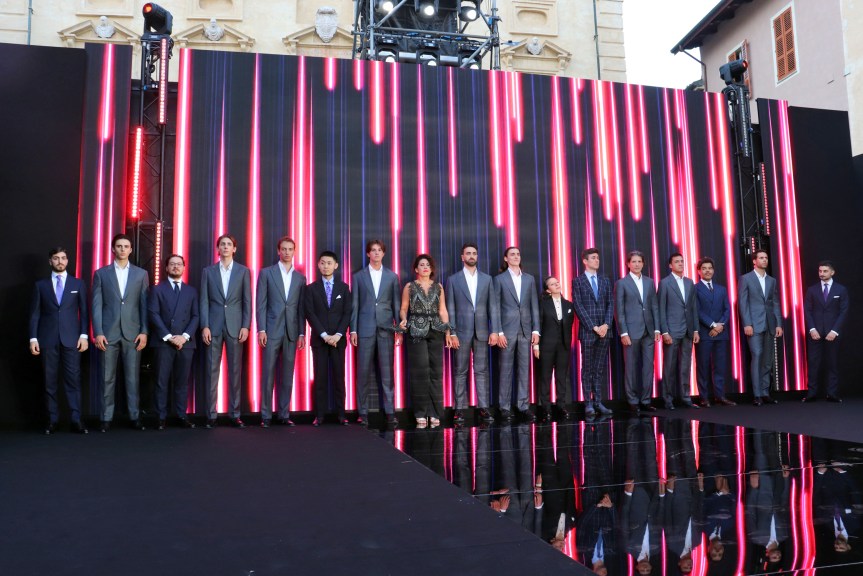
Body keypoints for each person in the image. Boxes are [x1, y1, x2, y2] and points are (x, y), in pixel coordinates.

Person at [29, 246, 89, 434]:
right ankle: (52, 420)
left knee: (73, 381)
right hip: (47, 339)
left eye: (63, 258)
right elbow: (34, 314)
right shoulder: (41, 285)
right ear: (50, 261)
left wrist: (84, 335)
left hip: (72, 339)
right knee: (49, 382)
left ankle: (76, 420)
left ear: (67, 261)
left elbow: (85, 313)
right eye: (56, 258)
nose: (60, 261)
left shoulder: (78, 284)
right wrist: (33, 338)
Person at [92, 233, 149, 432]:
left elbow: (144, 305)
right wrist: (97, 331)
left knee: (133, 378)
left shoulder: (141, 274)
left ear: (131, 249)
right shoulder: (101, 273)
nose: (122, 249)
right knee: (107, 377)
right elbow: (96, 306)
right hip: (107, 333)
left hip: (133, 333)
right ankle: (106, 418)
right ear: (113, 249)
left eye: (126, 246)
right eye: (119, 246)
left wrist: (144, 331)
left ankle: (134, 416)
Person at [200, 234, 251, 428]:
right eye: (223, 244)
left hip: (236, 327)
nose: (226, 247)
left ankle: (235, 413)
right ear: (218, 249)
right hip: (213, 326)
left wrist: (246, 326)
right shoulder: (208, 271)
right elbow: (204, 300)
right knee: (212, 371)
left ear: (234, 249)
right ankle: (211, 415)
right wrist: (204, 325)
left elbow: (247, 300)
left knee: (235, 371)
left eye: (229, 244)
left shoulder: (243, 271)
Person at [445, 242, 500, 424]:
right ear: (462, 257)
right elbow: (450, 308)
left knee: (482, 370)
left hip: (483, 330)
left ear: (477, 257)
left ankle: (483, 407)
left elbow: (493, 306)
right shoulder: (453, 280)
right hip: (460, 331)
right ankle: (459, 409)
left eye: (474, 253)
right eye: (468, 253)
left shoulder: (487, 279)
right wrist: (451, 332)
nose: (471, 256)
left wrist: (495, 330)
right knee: (460, 370)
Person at [350, 239, 401, 427]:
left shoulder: (392, 277)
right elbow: (354, 305)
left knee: (388, 374)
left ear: (384, 253)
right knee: (362, 373)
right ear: (368, 254)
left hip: (387, 329)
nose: (377, 253)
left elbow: (396, 305)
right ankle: (362, 412)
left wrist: (399, 331)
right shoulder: (358, 277)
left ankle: (390, 412)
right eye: (373, 250)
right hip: (364, 329)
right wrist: (353, 329)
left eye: (380, 250)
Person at [256, 237, 306, 427]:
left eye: (290, 249)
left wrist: (301, 332)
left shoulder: (301, 278)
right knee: (268, 374)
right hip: (271, 330)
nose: (286, 252)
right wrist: (261, 329)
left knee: (287, 375)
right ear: (278, 251)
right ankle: (266, 416)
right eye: (283, 249)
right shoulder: (266, 273)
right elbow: (261, 304)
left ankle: (284, 414)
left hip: (292, 331)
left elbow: (301, 308)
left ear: (294, 251)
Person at [399, 254, 451, 428]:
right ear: (416, 269)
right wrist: (403, 319)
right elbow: (403, 308)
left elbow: (442, 310)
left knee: (436, 372)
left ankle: (435, 412)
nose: (425, 267)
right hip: (416, 330)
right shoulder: (410, 286)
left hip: (436, 330)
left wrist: (448, 331)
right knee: (420, 372)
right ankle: (420, 412)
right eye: (421, 265)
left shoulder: (439, 287)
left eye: (428, 264)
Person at [147, 254, 198, 429]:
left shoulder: (191, 291)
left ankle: (181, 415)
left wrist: (184, 336)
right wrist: (169, 337)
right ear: (166, 268)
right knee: (161, 381)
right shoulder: (157, 289)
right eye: (172, 264)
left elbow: (196, 316)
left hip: (186, 343)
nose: (176, 267)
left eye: (179, 264)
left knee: (182, 382)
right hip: (163, 342)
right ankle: (160, 417)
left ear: (184, 268)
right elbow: (153, 314)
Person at [304, 250, 352, 426]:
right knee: (320, 379)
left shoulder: (344, 288)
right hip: (319, 340)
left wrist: (338, 334)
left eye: (329, 263)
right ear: (318, 265)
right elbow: (310, 313)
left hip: (338, 341)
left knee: (340, 379)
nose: (326, 266)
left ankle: (341, 415)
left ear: (336, 265)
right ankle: (320, 416)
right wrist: (324, 335)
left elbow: (347, 313)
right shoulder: (310, 288)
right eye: (322, 262)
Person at [493, 246, 540, 422]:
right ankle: (504, 407)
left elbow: (534, 305)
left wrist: (536, 330)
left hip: (525, 330)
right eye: (512, 254)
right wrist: (498, 331)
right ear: (506, 259)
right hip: (506, 331)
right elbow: (495, 307)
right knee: (505, 370)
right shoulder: (499, 280)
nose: (516, 257)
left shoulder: (529, 279)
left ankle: (523, 406)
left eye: (518, 254)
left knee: (524, 370)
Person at [615, 250, 660, 416]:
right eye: (633, 261)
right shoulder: (621, 283)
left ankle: (646, 401)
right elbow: (619, 311)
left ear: (643, 263)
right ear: (628, 264)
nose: (636, 264)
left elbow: (654, 306)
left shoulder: (649, 282)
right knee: (631, 368)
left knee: (648, 367)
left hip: (649, 330)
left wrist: (657, 328)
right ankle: (632, 401)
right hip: (631, 331)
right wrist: (623, 332)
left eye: (639, 261)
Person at [571, 248, 614, 418]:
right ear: (585, 261)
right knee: (587, 368)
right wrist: (593, 326)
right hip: (589, 331)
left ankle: (598, 401)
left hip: (604, 330)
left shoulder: (605, 280)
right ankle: (588, 402)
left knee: (599, 368)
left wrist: (606, 324)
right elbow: (578, 306)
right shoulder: (578, 281)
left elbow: (611, 303)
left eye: (598, 257)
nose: (597, 260)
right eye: (593, 258)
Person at [738, 249, 783, 406]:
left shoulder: (772, 280)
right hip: (754, 325)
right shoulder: (746, 279)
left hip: (770, 324)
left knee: (767, 360)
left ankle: (765, 392)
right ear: (754, 261)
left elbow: (775, 303)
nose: (765, 260)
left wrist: (778, 323)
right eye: (761, 258)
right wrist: (747, 323)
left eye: (766, 257)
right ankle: (756, 394)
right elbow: (743, 303)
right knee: (756, 356)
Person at [803, 260, 849, 403]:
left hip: (833, 334)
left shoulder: (841, 290)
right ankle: (811, 394)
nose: (821, 274)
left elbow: (844, 311)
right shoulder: (812, 290)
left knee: (832, 363)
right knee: (813, 363)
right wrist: (811, 329)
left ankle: (832, 394)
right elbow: (807, 311)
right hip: (814, 333)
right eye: (820, 271)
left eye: (825, 271)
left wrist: (834, 331)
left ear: (832, 272)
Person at [658, 252, 700, 410]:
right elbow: (661, 309)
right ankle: (668, 399)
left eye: (682, 261)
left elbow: (693, 308)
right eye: (677, 262)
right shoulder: (665, 283)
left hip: (688, 331)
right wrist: (664, 331)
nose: (681, 264)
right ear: (670, 265)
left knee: (685, 365)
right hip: (672, 331)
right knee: (669, 366)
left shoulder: (690, 283)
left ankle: (685, 397)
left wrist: (695, 330)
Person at [694, 257, 735, 407]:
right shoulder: (695, 288)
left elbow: (727, 309)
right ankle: (704, 397)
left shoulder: (721, 289)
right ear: (699, 271)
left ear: (713, 270)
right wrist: (712, 325)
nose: (707, 271)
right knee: (703, 366)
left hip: (721, 333)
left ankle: (720, 396)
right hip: (705, 333)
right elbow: (697, 311)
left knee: (720, 366)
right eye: (704, 268)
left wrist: (720, 325)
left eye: (710, 268)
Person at [533, 276, 574, 421]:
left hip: (563, 346)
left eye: (557, 282)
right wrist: (536, 345)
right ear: (547, 289)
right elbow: (538, 324)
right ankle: (545, 408)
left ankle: (561, 406)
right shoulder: (543, 304)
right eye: (552, 283)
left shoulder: (568, 305)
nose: (557, 284)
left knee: (562, 377)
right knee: (545, 377)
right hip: (546, 345)